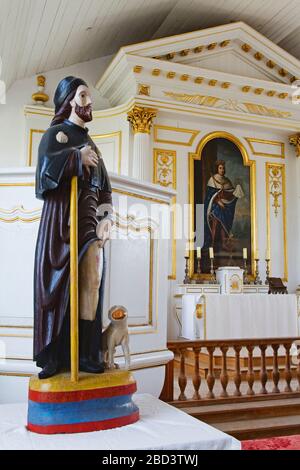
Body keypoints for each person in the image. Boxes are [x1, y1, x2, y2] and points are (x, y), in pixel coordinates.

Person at [34, 76, 113, 379]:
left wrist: (106, 218)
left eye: (89, 96)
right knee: (57, 285)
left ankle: (86, 353)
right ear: (68, 101)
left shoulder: (92, 143)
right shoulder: (55, 136)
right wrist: (74, 158)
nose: (88, 102)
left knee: (90, 283)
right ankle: (54, 354)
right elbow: (43, 177)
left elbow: (105, 189)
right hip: (61, 223)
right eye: (82, 96)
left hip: (90, 224)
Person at [203, 159, 244, 252]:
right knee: (217, 216)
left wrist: (237, 189)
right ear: (217, 169)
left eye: (223, 168)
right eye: (220, 168)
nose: (222, 170)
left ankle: (223, 243)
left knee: (223, 222)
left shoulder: (227, 180)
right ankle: (212, 243)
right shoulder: (212, 180)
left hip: (225, 205)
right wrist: (218, 201)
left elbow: (230, 193)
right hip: (214, 206)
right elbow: (210, 195)